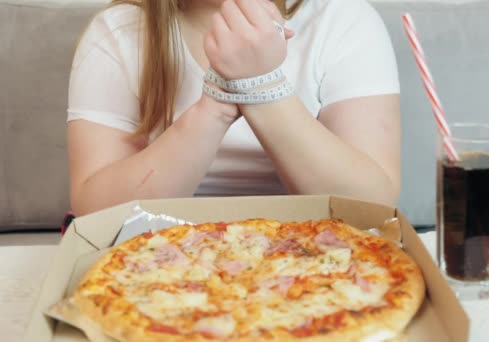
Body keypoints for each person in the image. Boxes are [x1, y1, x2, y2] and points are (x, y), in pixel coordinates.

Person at [67, 0, 401, 216]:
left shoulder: (344, 20)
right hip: (160, 256)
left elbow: (369, 206)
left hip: (311, 255)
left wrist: (264, 85)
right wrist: (216, 105)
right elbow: (97, 211)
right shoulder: (119, 30)